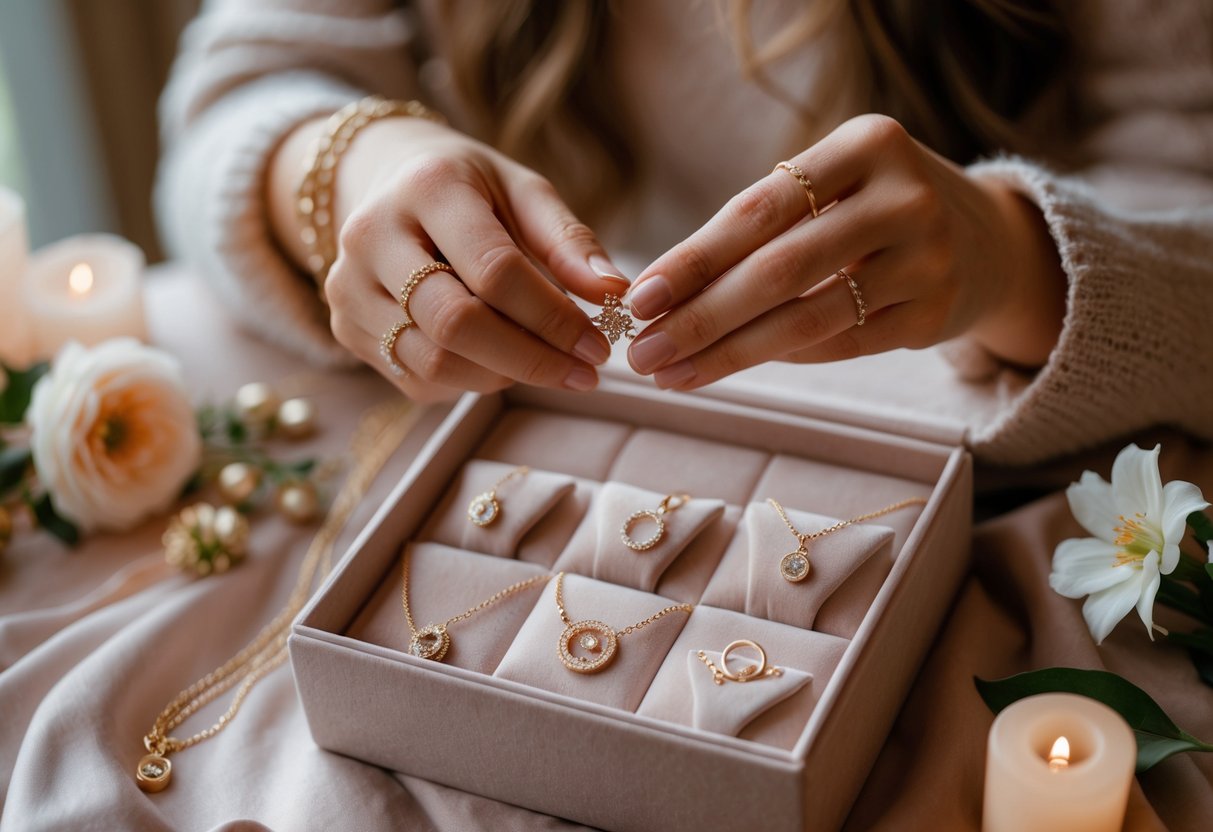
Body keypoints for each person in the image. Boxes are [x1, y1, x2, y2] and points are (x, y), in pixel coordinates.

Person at [157, 0, 1213, 465]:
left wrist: (1009, 256)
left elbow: (1187, 185)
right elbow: (241, 90)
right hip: (523, 438)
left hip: (994, 478)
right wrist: (349, 168)